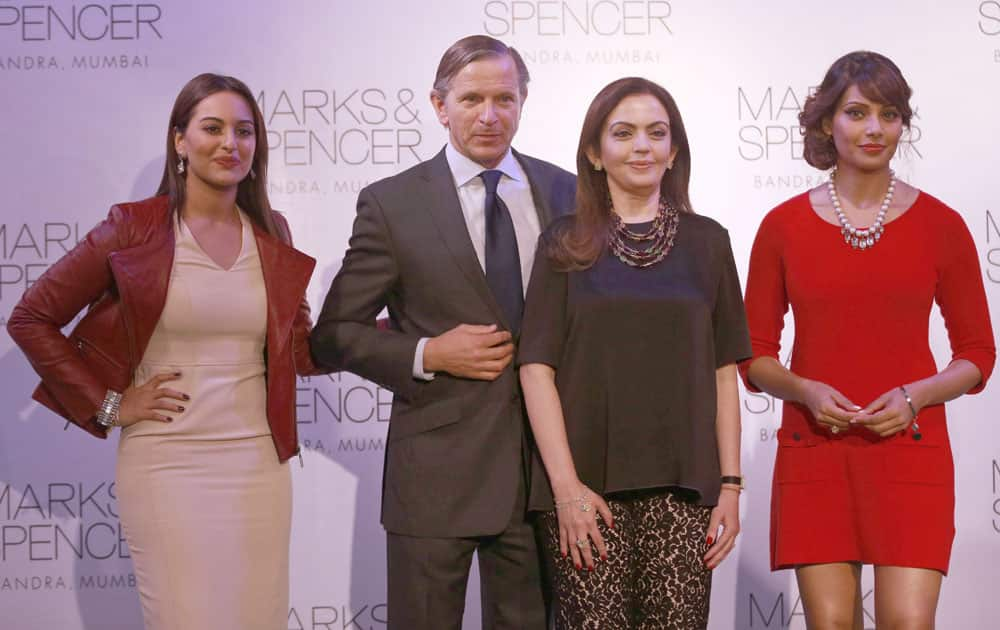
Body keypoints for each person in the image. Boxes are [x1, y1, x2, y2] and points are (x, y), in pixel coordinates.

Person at [7, 73, 320, 630]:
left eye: (244, 131)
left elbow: (298, 351)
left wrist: (401, 332)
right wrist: (110, 406)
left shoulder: (273, 230)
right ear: (180, 140)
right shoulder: (132, 227)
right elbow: (32, 317)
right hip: (167, 462)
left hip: (258, 466)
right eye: (213, 128)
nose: (231, 144)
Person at [309, 34, 575, 629]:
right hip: (433, 476)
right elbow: (332, 335)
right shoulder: (392, 204)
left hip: (541, 481)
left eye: (504, 98)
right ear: (438, 105)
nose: (489, 115)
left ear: (524, 101)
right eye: (472, 98)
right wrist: (429, 352)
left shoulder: (567, 192)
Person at [741, 51, 995, 629]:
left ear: (904, 123)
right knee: (830, 624)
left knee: (908, 622)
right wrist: (805, 390)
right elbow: (753, 356)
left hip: (910, 446)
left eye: (889, 113)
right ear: (828, 121)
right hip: (817, 449)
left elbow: (978, 354)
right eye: (857, 112)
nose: (874, 128)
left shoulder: (942, 225)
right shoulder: (782, 226)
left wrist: (917, 396)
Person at [517, 77, 750, 629]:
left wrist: (732, 487)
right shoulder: (563, 243)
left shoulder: (709, 243)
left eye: (656, 133)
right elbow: (535, 370)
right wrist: (565, 489)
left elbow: (724, 375)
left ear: (673, 152)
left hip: (686, 492)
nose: (641, 146)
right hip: (585, 492)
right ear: (595, 154)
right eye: (623, 133)